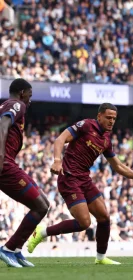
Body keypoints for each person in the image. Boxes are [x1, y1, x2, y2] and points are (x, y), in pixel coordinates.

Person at [27, 103, 133, 265]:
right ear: (99, 116)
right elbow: (60, 139)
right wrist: (57, 160)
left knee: (104, 217)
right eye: (108, 117)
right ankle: (42, 232)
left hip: (84, 179)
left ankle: (100, 258)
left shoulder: (106, 140)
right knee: (84, 223)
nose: (111, 121)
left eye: (114, 119)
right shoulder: (86, 125)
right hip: (69, 178)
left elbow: (118, 166)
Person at [0, 79, 50, 268]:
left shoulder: (9, 104)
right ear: (22, 93)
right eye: (29, 95)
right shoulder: (17, 105)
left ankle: (15, 249)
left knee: (44, 204)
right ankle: (8, 249)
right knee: (39, 206)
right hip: (5, 165)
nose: (30, 100)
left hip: (10, 163)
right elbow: (2, 126)